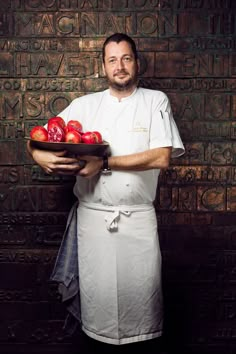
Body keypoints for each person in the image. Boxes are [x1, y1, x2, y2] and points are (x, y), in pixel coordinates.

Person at [27, 33, 185, 352]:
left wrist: (105, 162)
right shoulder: (85, 106)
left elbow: (161, 156)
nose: (120, 66)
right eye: (112, 60)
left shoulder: (155, 101)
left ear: (137, 63)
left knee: (143, 308)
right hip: (93, 224)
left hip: (137, 223)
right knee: (97, 313)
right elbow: (44, 136)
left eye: (126, 58)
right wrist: (35, 152)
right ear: (103, 66)